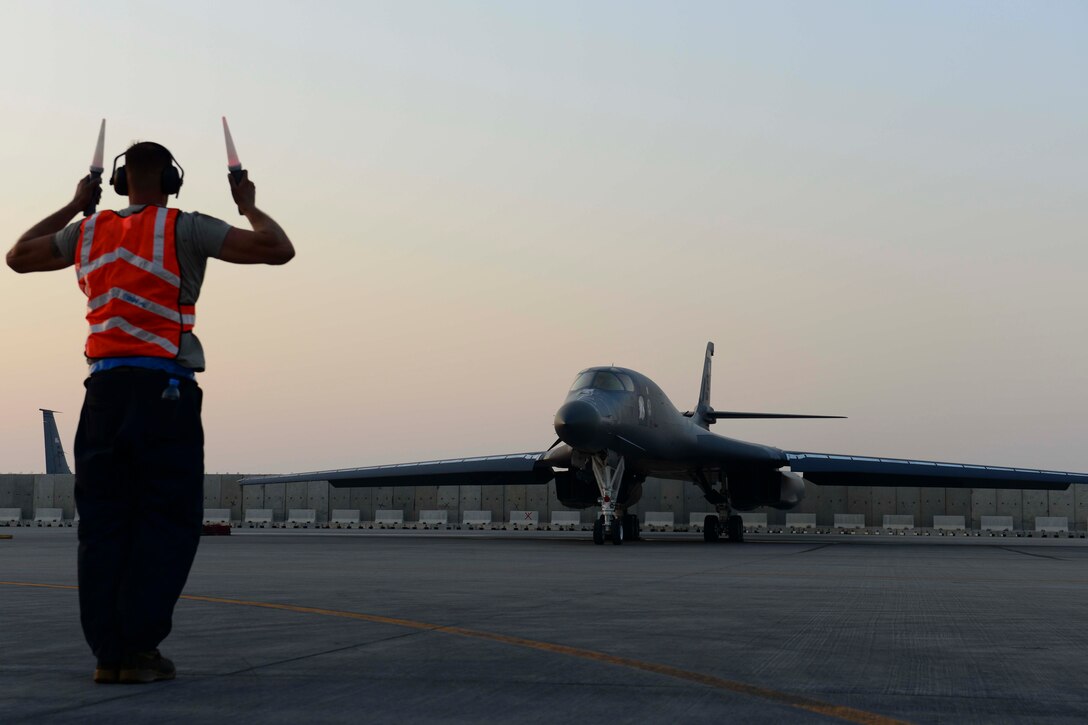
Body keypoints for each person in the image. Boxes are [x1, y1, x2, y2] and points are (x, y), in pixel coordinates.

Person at [6, 140, 294, 684]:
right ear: (171, 180)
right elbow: (278, 248)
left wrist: (75, 204)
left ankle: (108, 655)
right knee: (166, 520)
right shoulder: (185, 227)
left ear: (119, 182)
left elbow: (17, 256)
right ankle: (139, 650)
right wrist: (248, 205)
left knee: (102, 525)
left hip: (103, 394)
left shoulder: (87, 231)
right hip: (166, 392)